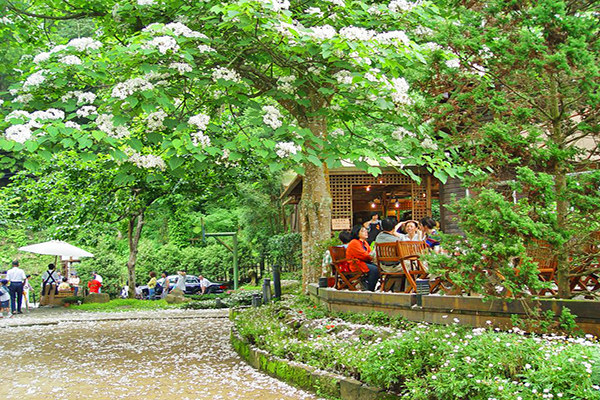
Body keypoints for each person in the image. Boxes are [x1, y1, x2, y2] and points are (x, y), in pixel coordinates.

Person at [346, 224, 380, 291]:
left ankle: (370, 286)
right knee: (375, 270)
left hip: (364, 262)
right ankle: (370, 289)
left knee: (379, 267)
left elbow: (369, 254)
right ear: (357, 233)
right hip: (357, 264)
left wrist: (371, 256)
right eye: (363, 231)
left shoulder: (364, 242)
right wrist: (371, 256)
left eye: (366, 231)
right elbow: (363, 255)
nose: (366, 232)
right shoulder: (354, 242)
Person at [374, 218, 405, 291]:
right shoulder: (397, 240)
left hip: (383, 266)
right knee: (414, 265)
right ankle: (409, 289)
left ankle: (391, 288)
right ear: (394, 228)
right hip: (396, 267)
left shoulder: (378, 237)